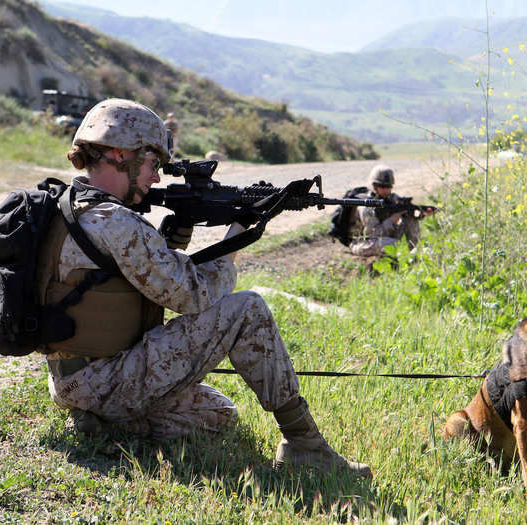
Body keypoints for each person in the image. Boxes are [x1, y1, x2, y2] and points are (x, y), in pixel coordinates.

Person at [40, 98, 371, 478]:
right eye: (151, 164)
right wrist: (241, 229)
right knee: (246, 310)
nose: (157, 178)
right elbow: (194, 296)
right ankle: (304, 445)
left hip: (72, 379)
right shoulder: (118, 224)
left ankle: (105, 422)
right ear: (120, 154)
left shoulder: (64, 203)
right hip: (109, 379)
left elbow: (115, 283)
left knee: (219, 414)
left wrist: (170, 244)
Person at [349, 165, 434, 257]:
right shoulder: (366, 206)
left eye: (388, 186)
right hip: (363, 242)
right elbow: (372, 233)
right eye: (382, 186)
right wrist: (391, 221)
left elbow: (407, 210)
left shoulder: (392, 198)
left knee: (410, 219)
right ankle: (406, 255)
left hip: (386, 236)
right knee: (393, 244)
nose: (386, 189)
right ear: (374, 186)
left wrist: (420, 214)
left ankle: (413, 251)